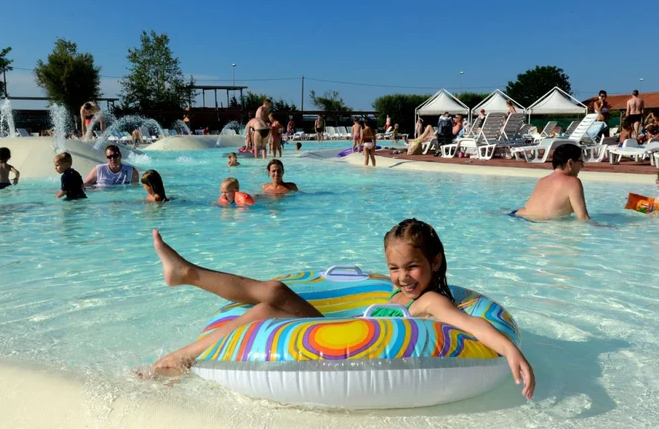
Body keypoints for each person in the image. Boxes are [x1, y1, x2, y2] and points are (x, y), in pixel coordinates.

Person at [147, 219, 536, 401]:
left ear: (434, 262)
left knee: (270, 303)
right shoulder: (399, 292)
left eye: (412, 267)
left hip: (339, 342)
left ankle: (183, 343)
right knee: (273, 296)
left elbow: (468, 323)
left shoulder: (430, 301)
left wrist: (511, 350)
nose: (402, 277)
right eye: (394, 268)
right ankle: (186, 277)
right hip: (332, 326)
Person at [515, 144, 590, 221]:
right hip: (547, 224)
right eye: (581, 161)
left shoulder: (541, 181)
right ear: (570, 163)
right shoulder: (573, 182)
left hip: (521, 217)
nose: (582, 166)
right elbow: (583, 217)